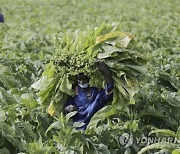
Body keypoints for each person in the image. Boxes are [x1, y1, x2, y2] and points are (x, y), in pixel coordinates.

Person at [64, 62, 114, 130]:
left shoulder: (97, 91)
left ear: (89, 78)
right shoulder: (75, 91)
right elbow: (66, 109)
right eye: (79, 79)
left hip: (98, 127)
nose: (82, 82)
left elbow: (109, 92)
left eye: (84, 79)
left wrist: (106, 72)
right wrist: (69, 108)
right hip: (80, 128)